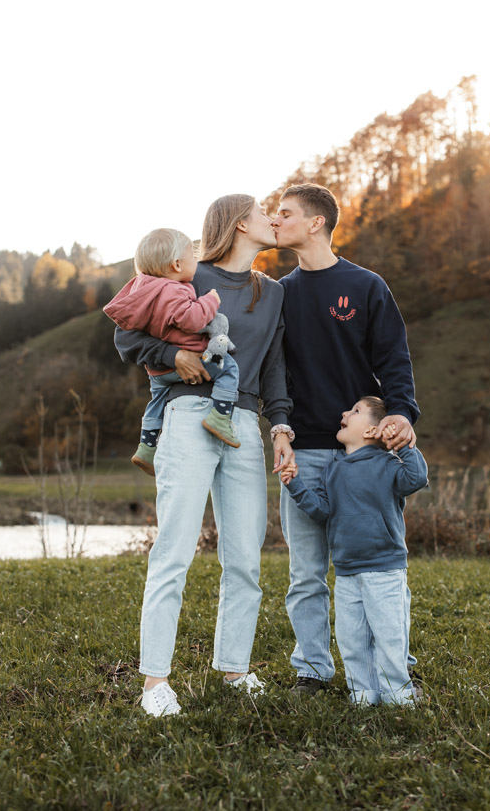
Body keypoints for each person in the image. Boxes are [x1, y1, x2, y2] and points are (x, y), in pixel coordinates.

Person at [114, 195, 294, 716]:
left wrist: (279, 422)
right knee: (174, 551)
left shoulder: (273, 292)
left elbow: (275, 364)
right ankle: (155, 684)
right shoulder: (188, 274)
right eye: (265, 212)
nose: (273, 219)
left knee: (245, 556)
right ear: (241, 223)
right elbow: (128, 336)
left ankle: (234, 668)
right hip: (189, 415)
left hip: (243, 423)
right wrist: (173, 355)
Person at [272, 183, 420, 695]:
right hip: (306, 449)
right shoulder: (279, 294)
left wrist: (402, 413)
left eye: (285, 214)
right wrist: (279, 429)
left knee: (381, 565)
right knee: (307, 574)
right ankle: (312, 670)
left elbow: (394, 360)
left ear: (316, 223)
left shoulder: (366, 286)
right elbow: (273, 373)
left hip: (366, 452)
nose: (275, 221)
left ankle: (394, 659)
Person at [280, 396, 428, 705]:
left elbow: (416, 478)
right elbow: (321, 511)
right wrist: (295, 485)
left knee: (389, 636)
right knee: (352, 640)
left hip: (385, 569)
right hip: (347, 572)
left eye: (356, 411)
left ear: (373, 431)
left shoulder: (388, 465)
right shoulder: (333, 472)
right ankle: (362, 694)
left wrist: (402, 445)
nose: (344, 413)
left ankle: (397, 695)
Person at [103, 227, 241, 476]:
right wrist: (210, 300)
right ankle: (220, 417)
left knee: (156, 400)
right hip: (191, 358)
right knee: (229, 367)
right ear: (177, 264)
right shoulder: (174, 289)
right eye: (192, 256)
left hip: (157, 371)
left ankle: (146, 446)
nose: (196, 262)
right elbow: (192, 320)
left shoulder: (143, 292)